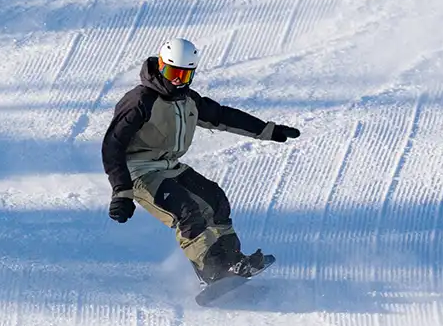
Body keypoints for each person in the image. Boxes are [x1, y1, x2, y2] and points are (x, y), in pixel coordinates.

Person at [102, 38, 301, 284]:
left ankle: (233, 262)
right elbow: (113, 145)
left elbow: (222, 116)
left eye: (183, 76)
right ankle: (212, 271)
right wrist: (122, 192)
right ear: (161, 66)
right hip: (139, 173)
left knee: (215, 200)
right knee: (187, 211)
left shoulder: (188, 100)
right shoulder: (140, 101)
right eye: (172, 72)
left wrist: (268, 130)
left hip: (169, 166)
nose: (176, 80)